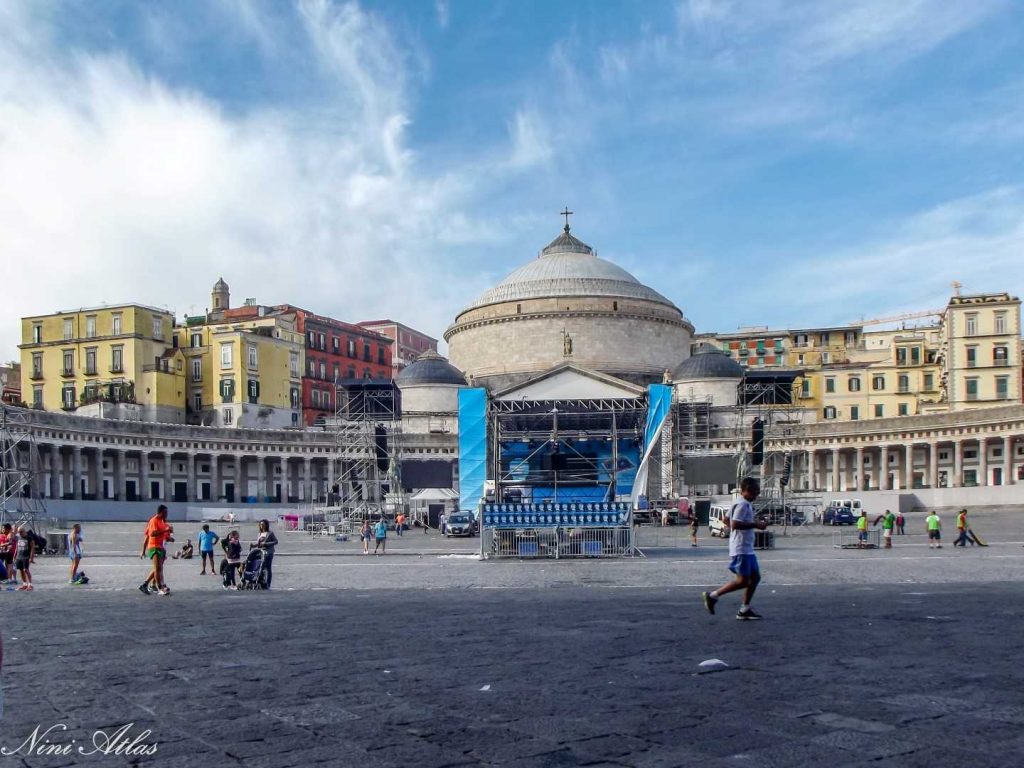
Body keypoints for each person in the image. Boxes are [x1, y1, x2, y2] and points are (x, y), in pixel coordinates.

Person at [701, 477, 767, 620]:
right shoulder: (743, 505)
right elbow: (735, 524)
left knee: (755, 578)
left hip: (746, 548)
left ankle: (744, 609)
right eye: (756, 491)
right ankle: (713, 596)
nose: (757, 494)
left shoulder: (739, 502)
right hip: (741, 549)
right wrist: (756, 524)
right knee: (743, 581)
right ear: (748, 491)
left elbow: (726, 520)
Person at [139, 504, 174, 595]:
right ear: (161, 512)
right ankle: (160, 587)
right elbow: (152, 534)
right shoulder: (154, 520)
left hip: (161, 547)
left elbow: (163, 535)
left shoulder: (162, 522)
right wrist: (143, 550)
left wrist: (169, 537)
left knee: (158, 568)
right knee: (158, 568)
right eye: (165, 512)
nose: (167, 514)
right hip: (154, 546)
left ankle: (147, 585)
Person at [255, 520, 278, 590]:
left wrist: (266, 544)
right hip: (261, 552)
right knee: (260, 568)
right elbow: (258, 544)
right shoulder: (259, 534)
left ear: (266, 525)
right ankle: (262, 582)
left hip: (269, 552)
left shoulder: (270, 533)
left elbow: (276, 541)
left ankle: (268, 584)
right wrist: (253, 545)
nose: (262, 526)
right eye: (260, 524)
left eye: (263, 524)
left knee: (267, 568)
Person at [13, 527, 33, 591]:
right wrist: (14, 555)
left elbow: (32, 548)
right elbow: (17, 547)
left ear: (24, 531)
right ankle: (24, 584)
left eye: (21, 532)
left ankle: (30, 584)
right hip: (19, 556)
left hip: (26, 556)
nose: (20, 533)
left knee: (26, 570)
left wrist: (31, 557)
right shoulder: (18, 537)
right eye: (19, 532)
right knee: (21, 570)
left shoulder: (29, 538)